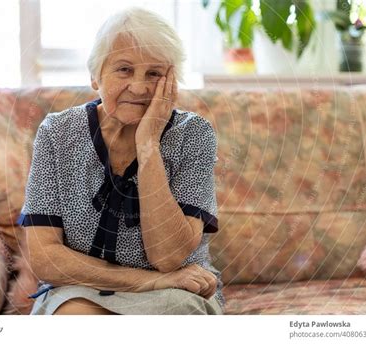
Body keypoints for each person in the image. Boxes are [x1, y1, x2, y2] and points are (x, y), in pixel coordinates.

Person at [17, 6, 224, 315]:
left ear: (172, 83)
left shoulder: (193, 135)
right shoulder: (57, 134)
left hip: (175, 292)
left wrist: (149, 145)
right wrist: (146, 281)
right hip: (81, 290)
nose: (139, 87)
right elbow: (46, 258)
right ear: (95, 76)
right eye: (124, 69)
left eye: (154, 73)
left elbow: (168, 258)